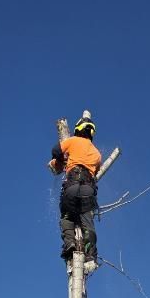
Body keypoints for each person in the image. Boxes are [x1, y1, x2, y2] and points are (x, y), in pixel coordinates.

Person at [49, 112, 102, 272]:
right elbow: (95, 171)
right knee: (87, 222)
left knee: (67, 215)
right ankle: (90, 256)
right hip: (88, 188)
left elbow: (56, 150)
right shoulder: (97, 153)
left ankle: (70, 243)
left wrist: (60, 161)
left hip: (71, 185)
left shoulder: (72, 141)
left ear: (78, 128)